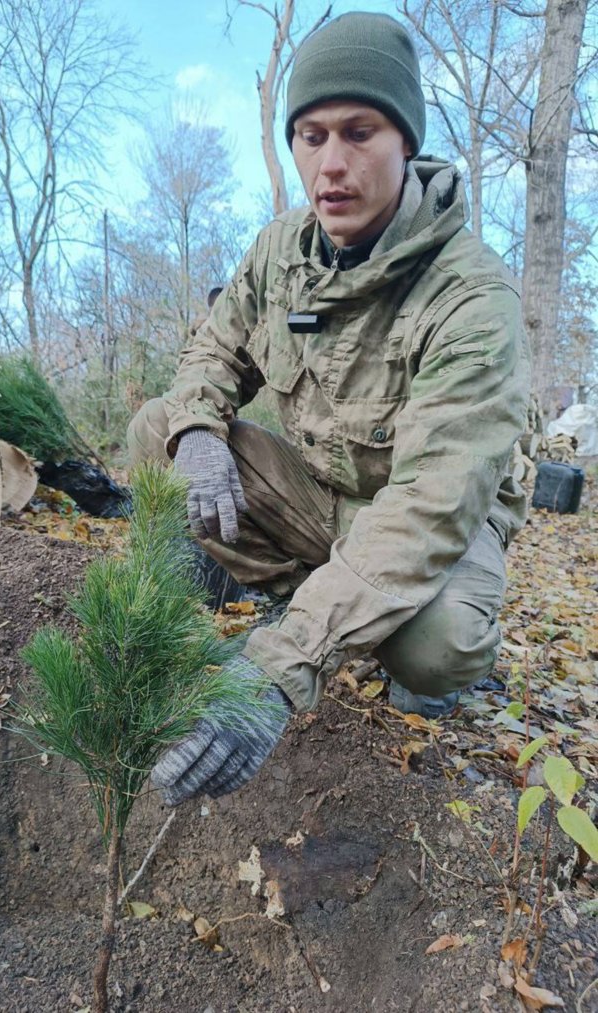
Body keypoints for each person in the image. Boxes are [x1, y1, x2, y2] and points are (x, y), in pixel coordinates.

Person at [127, 12, 531, 806]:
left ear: (405, 141)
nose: (332, 164)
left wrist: (279, 670)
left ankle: (353, 640)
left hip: (430, 520)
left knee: (439, 641)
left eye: (359, 131)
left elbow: (430, 507)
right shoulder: (283, 249)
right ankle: (310, 601)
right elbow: (214, 349)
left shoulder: (473, 296)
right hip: (322, 499)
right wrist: (202, 428)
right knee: (159, 432)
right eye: (310, 137)